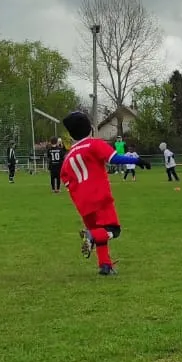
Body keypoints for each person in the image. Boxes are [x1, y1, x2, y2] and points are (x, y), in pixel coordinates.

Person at [60, 111, 140, 276]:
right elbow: (114, 158)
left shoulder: (68, 156)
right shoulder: (93, 144)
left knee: (99, 230)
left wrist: (78, 193)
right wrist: (136, 160)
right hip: (99, 197)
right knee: (113, 230)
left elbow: (66, 180)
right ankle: (90, 236)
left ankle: (105, 265)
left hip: (83, 203)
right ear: (89, 128)